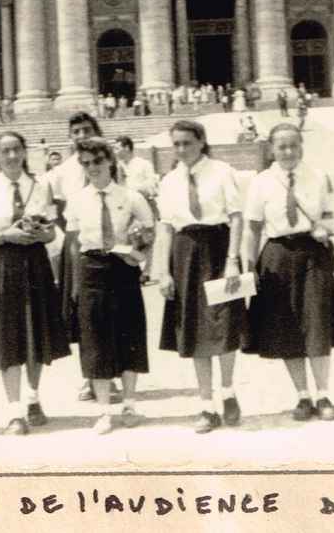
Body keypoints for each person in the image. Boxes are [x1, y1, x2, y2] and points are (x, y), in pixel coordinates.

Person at [243, 124, 334, 421]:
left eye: (293, 145)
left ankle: (324, 394)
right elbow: (252, 229)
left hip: (313, 254)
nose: (288, 152)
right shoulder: (261, 183)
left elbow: (330, 215)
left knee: (317, 324)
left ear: (302, 146)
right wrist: (249, 266)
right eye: (282, 147)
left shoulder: (317, 176)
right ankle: (302, 396)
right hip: (277, 257)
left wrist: (327, 228)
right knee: (287, 326)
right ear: (271, 150)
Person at [0, 132, 70, 435]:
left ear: (25, 152)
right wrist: (4, 236)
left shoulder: (40, 186)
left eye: (16, 150)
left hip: (35, 263)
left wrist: (43, 235)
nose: (12, 156)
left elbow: (52, 232)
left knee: (36, 332)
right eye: (5, 151)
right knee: (8, 336)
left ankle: (33, 398)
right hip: (3, 265)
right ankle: (15, 411)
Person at [156, 120, 246, 434]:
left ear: (201, 141)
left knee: (223, 323)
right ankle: (206, 405)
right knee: (195, 328)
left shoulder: (222, 172)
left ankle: (228, 391)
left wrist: (233, 260)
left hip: (219, 250)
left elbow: (236, 217)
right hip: (185, 254)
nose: (182, 149)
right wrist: (163, 270)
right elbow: (166, 227)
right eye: (176, 144)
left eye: (187, 143)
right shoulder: (168, 181)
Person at [67, 138, 154, 434]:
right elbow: (72, 244)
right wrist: (74, 283)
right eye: (86, 163)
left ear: (110, 162)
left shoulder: (131, 197)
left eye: (97, 161)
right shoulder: (77, 200)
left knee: (129, 333)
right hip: (91, 268)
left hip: (123, 267)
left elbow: (149, 234)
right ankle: (104, 410)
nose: (92, 168)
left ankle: (129, 403)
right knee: (95, 338)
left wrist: (142, 259)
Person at [48, 112, 106, 402]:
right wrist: (76, 236)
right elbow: (59, 212)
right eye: (76, 132)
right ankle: (89, 376)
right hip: (78, 248)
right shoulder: (61, 173)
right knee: (83, 315)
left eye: (86, 130)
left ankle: (111, 376)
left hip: (111, 248)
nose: (81, 136)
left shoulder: (111, 162)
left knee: (112, 314)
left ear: (97, 131)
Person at [114, 135, 160, 284]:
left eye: (118, 147)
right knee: (128, 238)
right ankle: (131, 268)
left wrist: (133, 190)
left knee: (148, 238)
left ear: (127, 147)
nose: (116, 150)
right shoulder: (117, 167)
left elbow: (151, 184)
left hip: (143, 204)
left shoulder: (143, 164)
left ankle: (146, 272)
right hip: (123, 207)